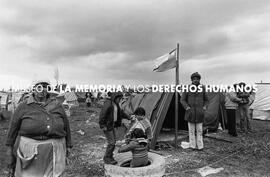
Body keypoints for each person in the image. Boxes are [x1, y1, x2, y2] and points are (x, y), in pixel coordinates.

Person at [5, 79, 72, 177]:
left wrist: (69, 145)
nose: (42, 89)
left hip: (55, 151)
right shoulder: (23, 107)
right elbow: (12, 130)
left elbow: (66, 126)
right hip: (30, 151)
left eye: (45, 86)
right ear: (33, 89)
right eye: (39, 86)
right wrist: (9, 151)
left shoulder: (57, 106)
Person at [99, 92, 130, 165]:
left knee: (113, 141)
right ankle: (107, 158)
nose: (120, 100)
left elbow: (121, 113)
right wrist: (102, 125)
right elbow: (102, 114)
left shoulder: (115, 104)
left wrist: (129, 117)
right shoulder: (108, 103)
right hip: (107, 126)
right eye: (119, 99)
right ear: (115, 98)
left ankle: (110, 156)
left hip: (112, 125)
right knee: (112, 142)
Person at [180, 72, 208, 151]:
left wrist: (204, 107)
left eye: (197, 79)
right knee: (191, 131)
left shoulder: (202, 88)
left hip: (200, 113)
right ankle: (192, 146)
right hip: (190, 113)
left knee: (199, 130)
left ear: (199, 79)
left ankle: (200, 146)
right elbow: (182, 100)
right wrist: (187, 107)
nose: (195, 80)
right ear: (192, 80)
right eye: (194, 79)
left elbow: (206, 100)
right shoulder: (187, 88)